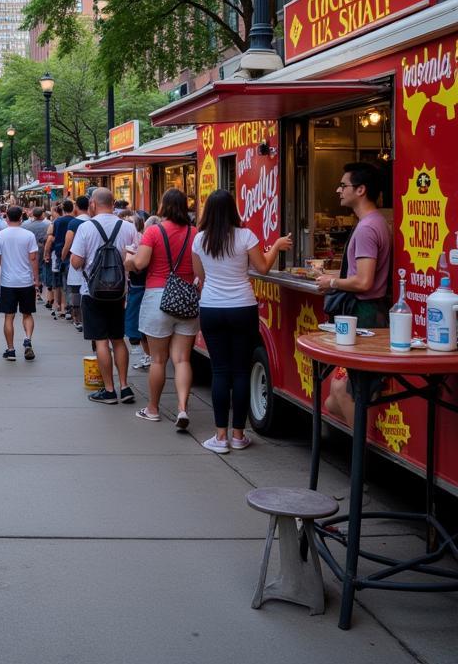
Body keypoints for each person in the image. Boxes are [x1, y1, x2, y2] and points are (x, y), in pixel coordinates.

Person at [192, 189, 292, 453]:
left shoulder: (200, 239)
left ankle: (220, 437)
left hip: (212, 308)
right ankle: (239, 435)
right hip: (243, 308)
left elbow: (199, 276)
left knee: (219, 372)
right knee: (241, 371)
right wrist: (276, 247)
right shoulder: (245, 236)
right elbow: (263, 268)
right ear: (232, 210)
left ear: (209, 212)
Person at [315, 162, 392, 426]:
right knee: (332, 400)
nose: (338, 190)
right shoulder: (374, 223)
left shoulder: (368, 228)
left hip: (366, 316)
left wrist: (333, 284)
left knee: (344, 390)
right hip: (368, 314)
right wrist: (331, 277)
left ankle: (363, 459)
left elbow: (364, 281)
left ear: (361, 190)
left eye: (343, 185)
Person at [126, 188, 198, 429]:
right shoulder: (195, 233)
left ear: (163, 206)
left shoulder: (154, 231)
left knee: (158, 360)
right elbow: (200, 271)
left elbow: (140, 263)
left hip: (158, 296)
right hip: (186, 297)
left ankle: (153, 408)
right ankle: (182, 409)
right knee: (182, 358)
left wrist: (128, 260)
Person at [71, 187, 137, 403]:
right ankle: (125, 387)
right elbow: (134, 260)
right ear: (113, 202)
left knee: (101, 341)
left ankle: (109, 390)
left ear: (92, 204)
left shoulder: (86, 228)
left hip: (92, 292)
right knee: (118, 339)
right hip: (119, 292)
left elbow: (76, 262)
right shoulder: (128, 227)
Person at [0, 205, 39, 360]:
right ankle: (28, 339)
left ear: (6, 218)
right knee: (27, 314)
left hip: (8, 282)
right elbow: (33, 259)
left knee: (9, 317)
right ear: (21, 217)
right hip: (26, 281)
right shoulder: (29, 235)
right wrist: (36, 279)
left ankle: (10, 349)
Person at [128, 214, 155, 370]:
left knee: (142, 324)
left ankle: (150, 357)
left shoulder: (147, 240)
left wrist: (129, 258)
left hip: (146, 288)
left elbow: (137, 265)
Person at [62, 194, 89, 332]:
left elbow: (68, 242)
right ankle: (87, 318)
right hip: (91, 263)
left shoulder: (73, 223)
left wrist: (63, 255)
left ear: (77, 207)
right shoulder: (92, 221)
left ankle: (77, 318)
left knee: (75, 290)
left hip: (76, 259)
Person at [22, 206, 51, 299]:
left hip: (30, 249)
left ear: (33, 215)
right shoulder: (48, 224)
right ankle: (40, 285)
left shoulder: (25, 225)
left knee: (32, 267)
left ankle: (35, 286)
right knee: (42, 268)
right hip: (43, 248)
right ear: (42, 214)